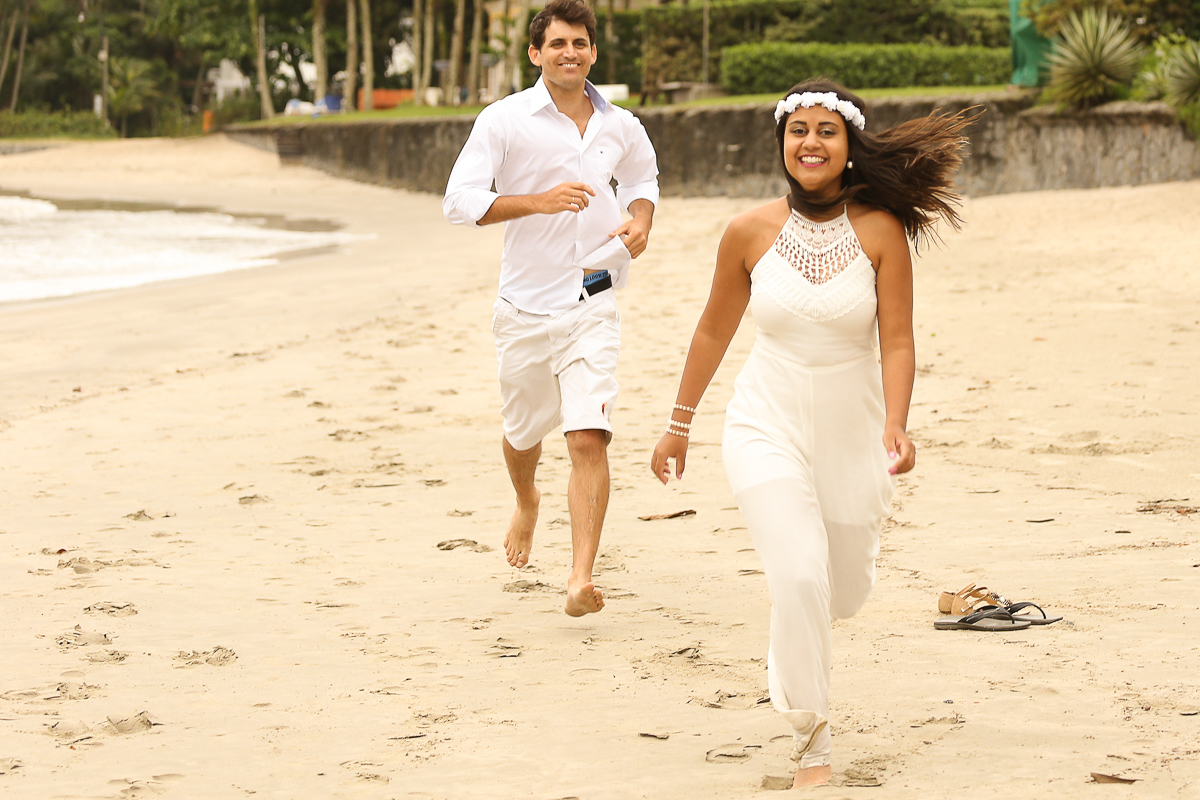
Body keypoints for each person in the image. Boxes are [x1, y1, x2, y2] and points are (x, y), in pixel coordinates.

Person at [650, 79, 973, 785]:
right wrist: (679, 424)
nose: (811, 142)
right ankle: (813, 742)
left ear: (850, 144)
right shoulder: (748, 233)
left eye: (827, 130)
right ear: (781, 145)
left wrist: (896, 421)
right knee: (797, 576)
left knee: (841, 592)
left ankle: (806, 631)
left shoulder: (882, 231)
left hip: (854, 435)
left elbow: (897, 341)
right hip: (764, 423)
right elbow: (713, 328)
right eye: (798, 130)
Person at [443, 0, 659, 617]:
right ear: (536, 53)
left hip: (593, 298)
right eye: (558, 44)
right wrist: (535, 202)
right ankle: (527, 500)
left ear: (593, 51)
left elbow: (644, 181)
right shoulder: (504, 120)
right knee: (521, 434)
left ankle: (579, 577)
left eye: (581, 43)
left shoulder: (621, 124)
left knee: (589, 435)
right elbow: (458, 202)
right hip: (525, 309)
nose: (571, 53)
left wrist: (640, 222)